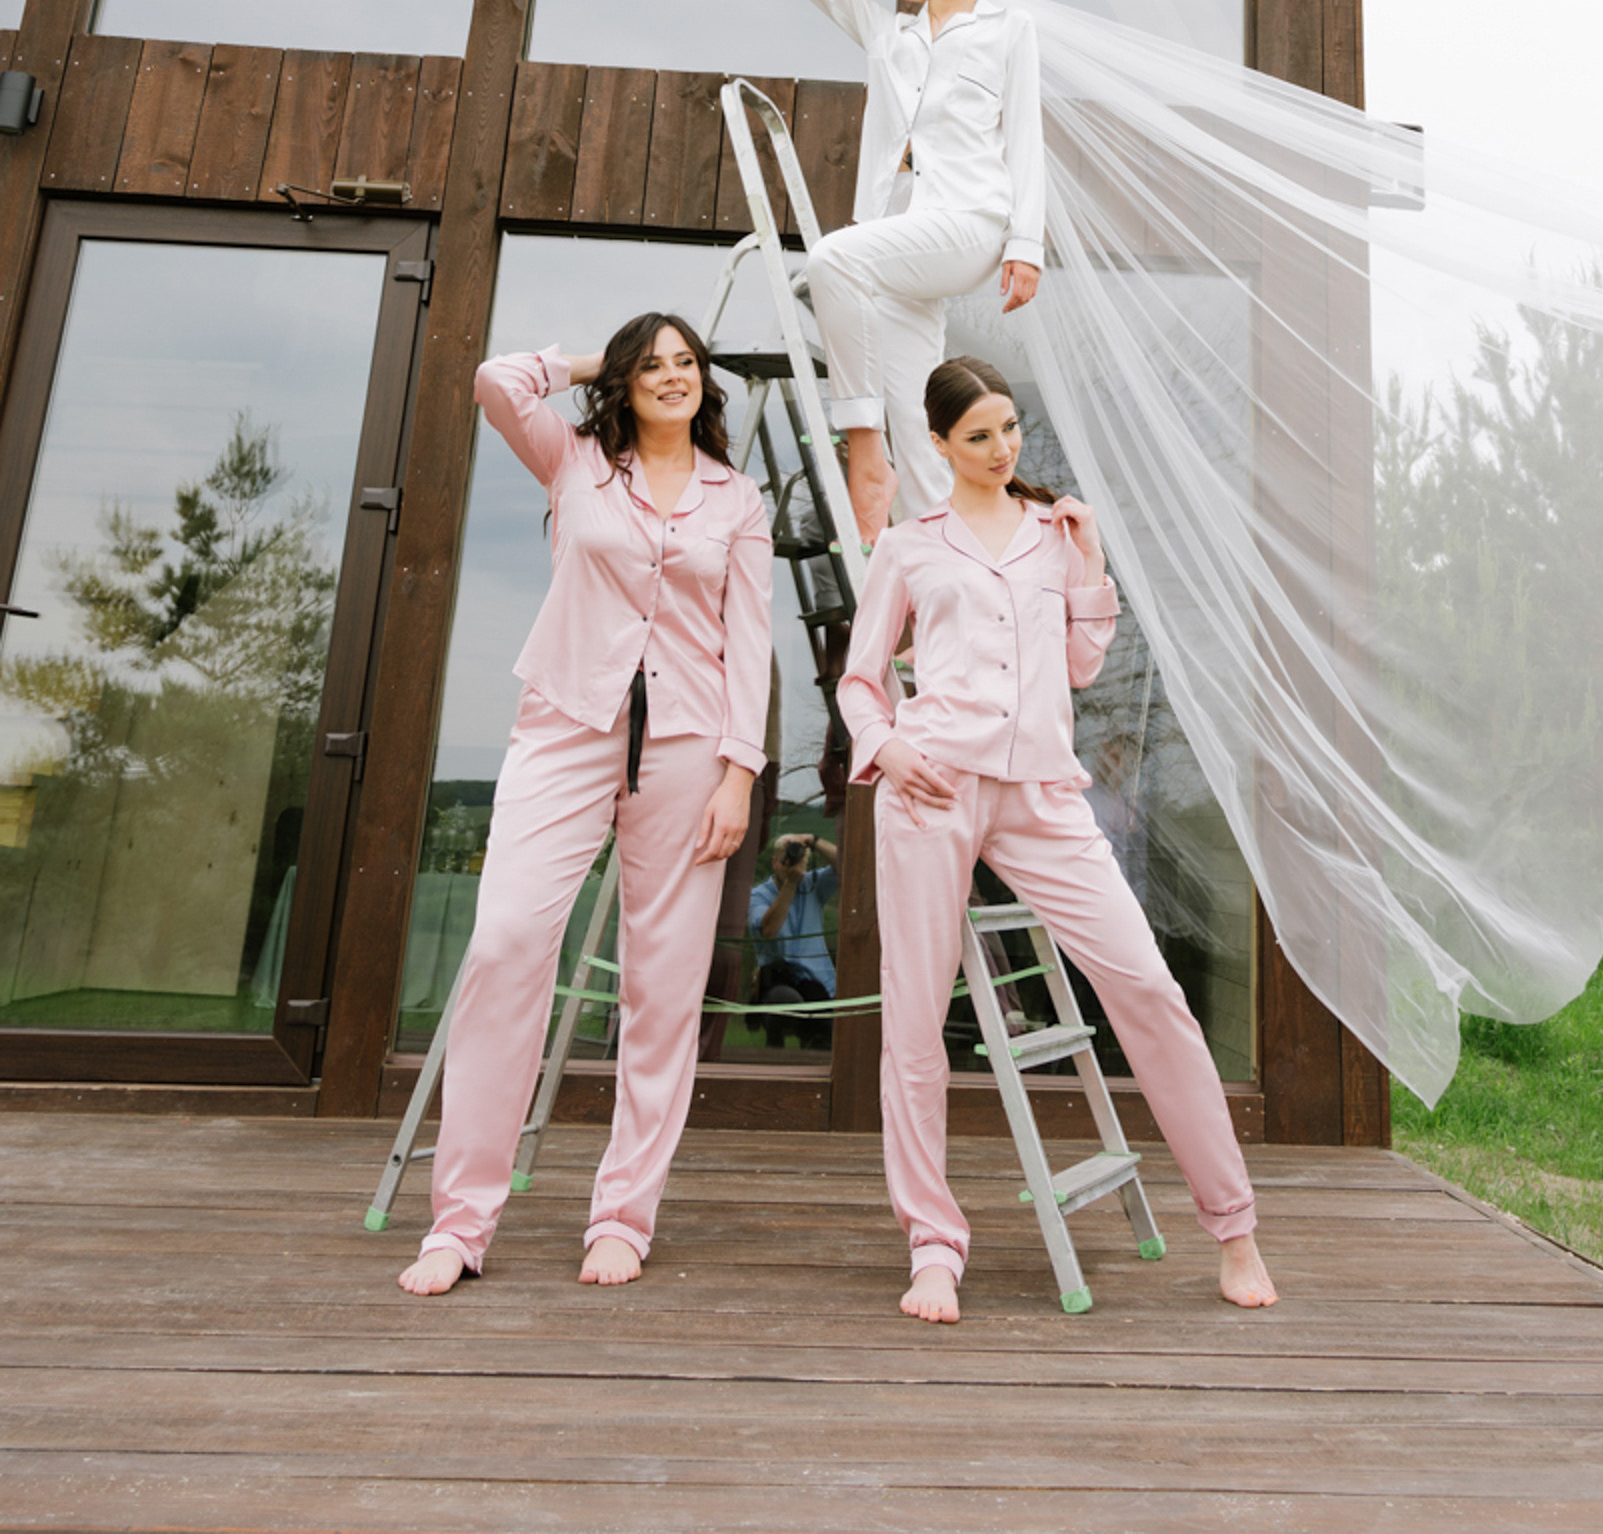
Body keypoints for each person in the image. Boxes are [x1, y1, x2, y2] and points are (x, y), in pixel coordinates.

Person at [837, 353, 1277, 1325]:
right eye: (980, 435)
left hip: (1042, 793)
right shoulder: (909, 547)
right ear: (941, 445)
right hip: (931, 786)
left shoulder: (1053, 533)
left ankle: (1233, 1227)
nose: (1002, 449)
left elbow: (1081, 666)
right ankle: (934, 1245)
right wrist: (886, 751)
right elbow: (860, 680)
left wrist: (1093, 567)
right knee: (912, 1027)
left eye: (1010, 429)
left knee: (1148, 991)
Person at [397, 314, 772, 1296]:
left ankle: (623, 1214)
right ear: (624, 379)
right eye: (650, 364)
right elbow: (493, 381)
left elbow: (753, 641)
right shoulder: (575, 461)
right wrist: (583, 362)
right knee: (507, 943)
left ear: (706, 383)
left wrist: (740, 769)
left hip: (690, 747)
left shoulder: (739, 500)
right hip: (565, 724)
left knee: (663, 984)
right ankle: (460, 1220)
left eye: (686, 363)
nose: (670, 377)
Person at [793, 0, 1043, 542]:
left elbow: (1025, 137)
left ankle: (863, 452)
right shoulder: (889, 33)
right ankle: (944, 582)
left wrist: (1027, 243)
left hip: (971, 220)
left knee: (831, 257)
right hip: (899, 237)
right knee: (917, 423)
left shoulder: (1009, 30)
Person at [748, 829, 839, 1039]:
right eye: (785, 858)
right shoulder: (758, 896)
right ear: (774, 862)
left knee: (823, 1031)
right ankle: (773, 1056)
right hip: (778, 981)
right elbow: (768, 930)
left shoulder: (813, 884)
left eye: (798, 858)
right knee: (784, 1000)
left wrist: (814, 841)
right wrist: (790, 884)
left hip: (817, 981)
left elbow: (848, 866)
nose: (790, 863)